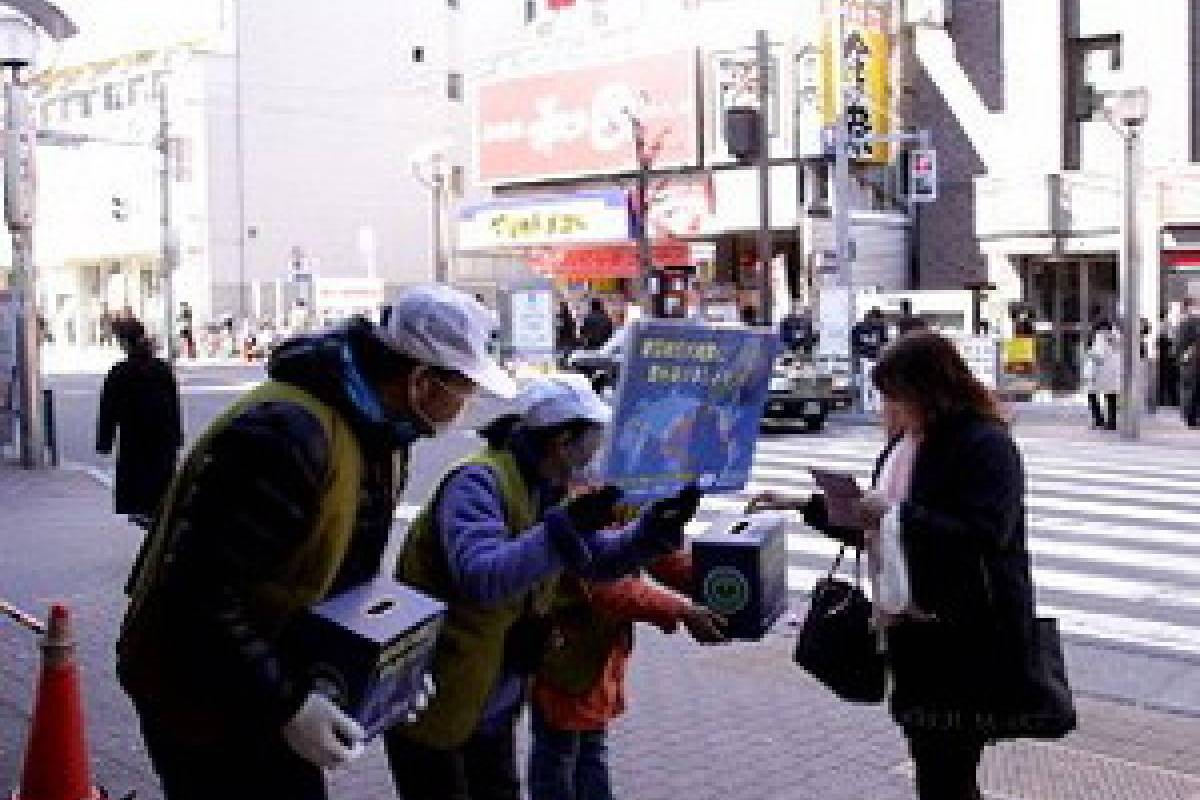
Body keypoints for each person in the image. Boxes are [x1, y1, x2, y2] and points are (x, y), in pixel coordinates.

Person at [116, 286, 516, 800]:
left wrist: (386, 676)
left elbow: (336, 582)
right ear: (421, 381)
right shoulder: (286, 435)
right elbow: (197, 595)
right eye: (464, 389)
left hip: (259, 683)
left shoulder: (382, 435)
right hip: (199, 694)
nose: (467, 406)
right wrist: (286, 704)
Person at [748, 331, 1038, 800]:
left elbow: (987, 533)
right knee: (935, 763)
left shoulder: (985, 444)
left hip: (966, 632)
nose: (890, 406)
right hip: (909, 628)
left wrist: (893, 514)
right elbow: (872, 525)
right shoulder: (908, 443)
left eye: (897, 394)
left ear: (932, 387)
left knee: (947, 768)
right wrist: (803, 503)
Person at [385, 373, 703, 800]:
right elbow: (483, 577)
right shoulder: (478, 483)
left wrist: (653, 531)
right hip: (435, 698)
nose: (595, 455)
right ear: (561, 441)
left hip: (489, 699)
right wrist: (564, 529)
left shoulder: (543, 489)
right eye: (591, 443)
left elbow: (595, 560)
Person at [529, 537, 725, 800]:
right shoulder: (577, 502)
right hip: (564, 655)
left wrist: (717, 578)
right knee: (559, 757)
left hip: (596, 659)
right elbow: (602, 583)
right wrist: (680, 609)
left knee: (589, 749)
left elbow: (655, 551)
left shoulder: (624, 502)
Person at [96, 319, 182, 530]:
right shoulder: (161, 369)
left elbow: (108, 410)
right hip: (162, 442)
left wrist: (104, 442)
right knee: (160, 495)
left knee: (140, 501)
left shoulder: (119, 372)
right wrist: (177, 437)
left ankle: (151, 538)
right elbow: (173, 405)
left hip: (135, 442)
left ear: (125, 342)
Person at [1084, 319, 1121, 430]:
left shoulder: (1100, 337)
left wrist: (1089, 353)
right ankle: (1111, 422)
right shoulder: (1117, 337)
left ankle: (1098, 419)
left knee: (1092, 395)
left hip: (1100, 371)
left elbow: (1099, 356)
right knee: (1111, 397)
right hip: (1114, 371)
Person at [1177, 298, 1200, 427]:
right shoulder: (1186, 322)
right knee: (1190, 389)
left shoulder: (1187, 322)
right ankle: (1190, 417)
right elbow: (1180, 344)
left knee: (1192, 389)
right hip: (1190, 361)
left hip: (1191, 362)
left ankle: (1191, 416)